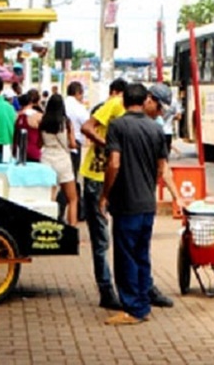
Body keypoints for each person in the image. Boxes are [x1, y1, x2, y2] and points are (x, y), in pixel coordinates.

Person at [99, 83, 177, 325]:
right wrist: (177, 197)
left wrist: (105, 194)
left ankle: (133, 309)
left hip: (126, 203)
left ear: (123, 102)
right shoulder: (155, 130)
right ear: (144, 101)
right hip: (147, 204)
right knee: (142, 255)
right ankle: (143, 302)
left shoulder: (118, 125)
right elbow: (163, 168)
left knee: (126, 258)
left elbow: (114, 163)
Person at [80, 77, 128, 310]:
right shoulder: (114, 104)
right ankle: (106, 290)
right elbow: (86, 127)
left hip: (118, 179)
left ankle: (130, 287)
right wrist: (108, 146)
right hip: (96, 178)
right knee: (101, 239)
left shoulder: (130, 112)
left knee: (122, 236)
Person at [38, 94, 80, 227]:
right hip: (62, 159)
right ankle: (72, 229)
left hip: (46, 159)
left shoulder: (42, 121)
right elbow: (72, 144)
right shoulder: (66, 123)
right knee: (72, 198)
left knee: (49, 198)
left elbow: (40, 143)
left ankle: (48, 225)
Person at [60, 81, 90, 222]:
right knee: (71, 179)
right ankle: (76, 212)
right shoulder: (79, 108)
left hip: (59, 145)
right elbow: (87, 125)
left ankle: (61, 212)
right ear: (78, 93)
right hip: (74, 145)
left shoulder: (61, 105)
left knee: (61, 180)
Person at [15, 91, 42, 162]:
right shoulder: (38, 116)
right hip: (34, 151)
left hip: (18, 152)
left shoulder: (16, 116)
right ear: (31, 102)